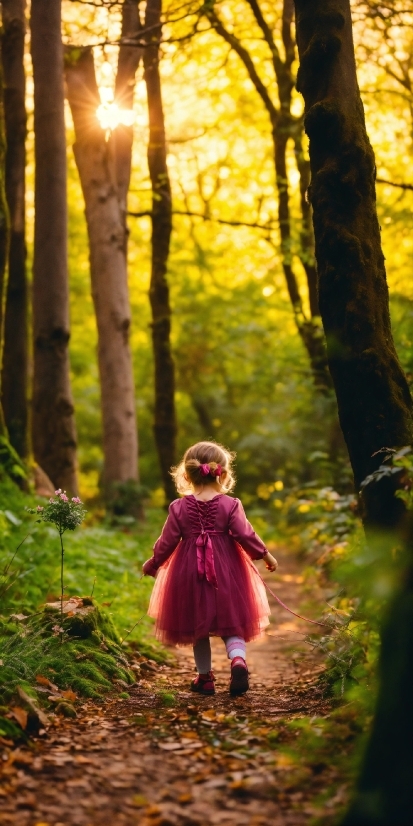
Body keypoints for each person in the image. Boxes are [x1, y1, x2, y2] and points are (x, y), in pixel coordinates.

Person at [142, 441, 278, 696]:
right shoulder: (231, 504)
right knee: (232, 620)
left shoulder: (178, 507)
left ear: (186, 474)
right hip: (228, 570)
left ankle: (204, 678)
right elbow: (244, 533)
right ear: (223, 473)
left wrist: (153, 563)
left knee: (198, 627)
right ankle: (238, 660)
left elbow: (168, 541)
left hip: (188, 570)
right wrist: (265, 554)